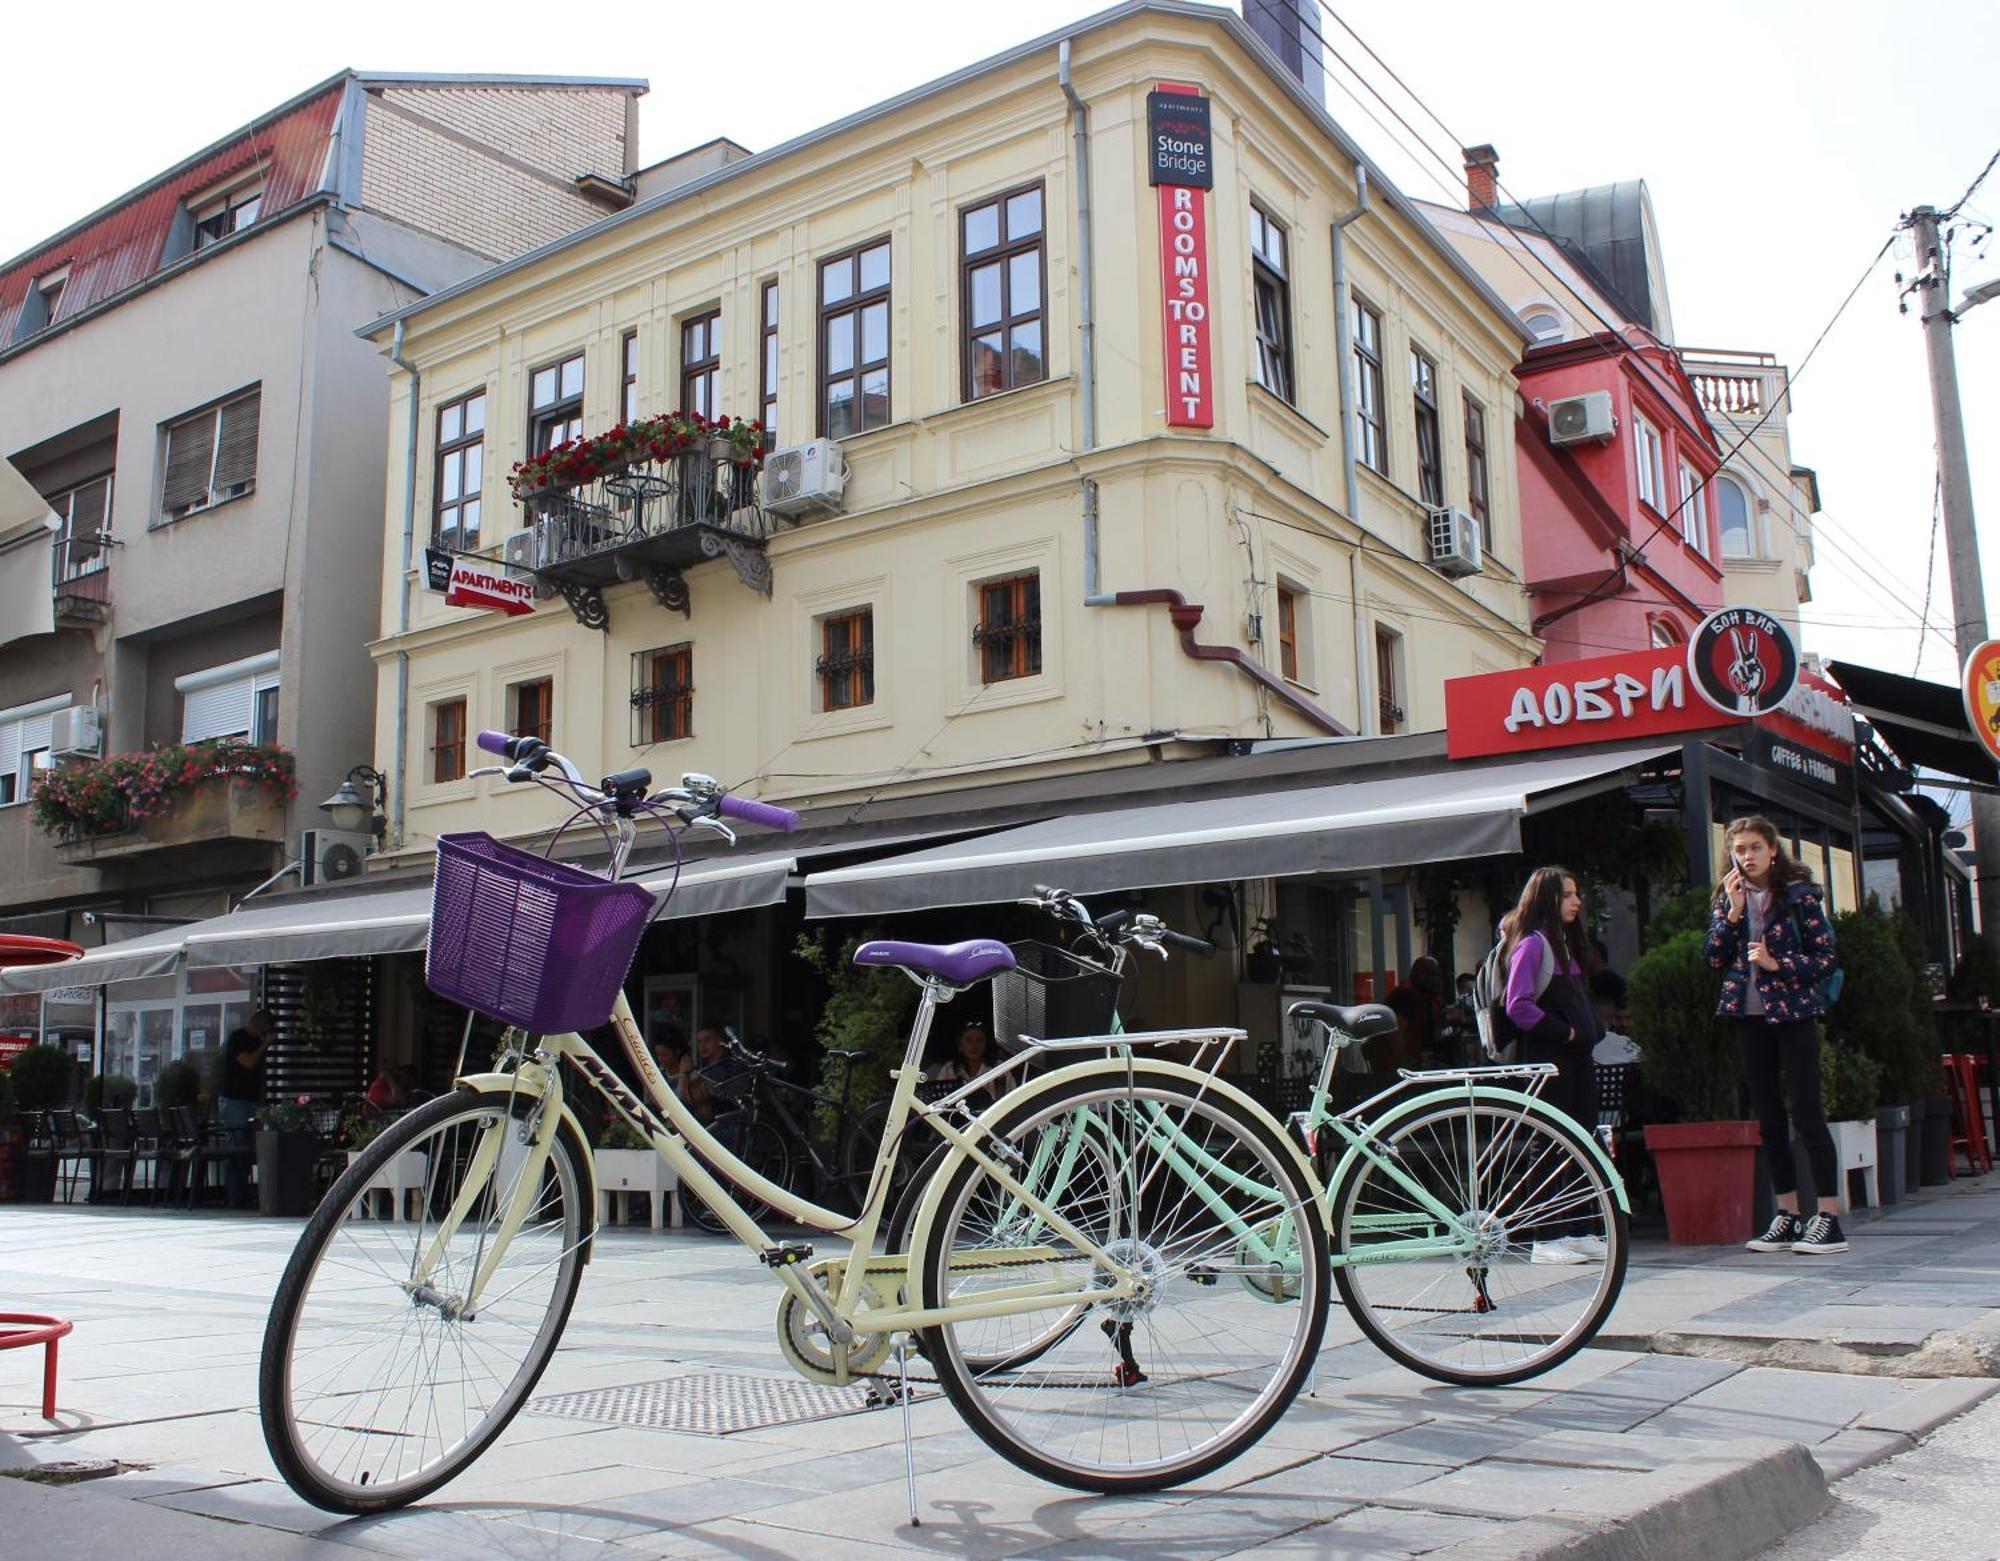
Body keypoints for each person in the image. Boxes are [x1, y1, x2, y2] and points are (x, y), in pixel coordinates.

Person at [1704, 815, 1846, 1255]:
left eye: (1754, 848)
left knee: (1806, 1113)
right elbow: (1712, 957)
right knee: (1769, 1120)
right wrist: (1732, 913)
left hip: (1794, 1015)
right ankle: (1787, 1214)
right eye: (1739, 849)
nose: (1746, 857)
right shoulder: (1728, 897)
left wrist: (1776, 963)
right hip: (1748, 1017)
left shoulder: (1800, 896)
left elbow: (1826, 958)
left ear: (1772, 850)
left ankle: (1828, 1217)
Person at [1497, 867, 1604, 1265]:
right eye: (1567, 895)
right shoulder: (1534, 944)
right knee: (1550, 1143)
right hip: (1552, 1059)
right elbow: (1517, 1005)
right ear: (1547, 899)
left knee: (1581, 1140)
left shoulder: (1563, 944)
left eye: (1577, 894)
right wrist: (1568, 1034)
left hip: (1575, 1061)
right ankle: (1545, 1237)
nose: (1576, 902)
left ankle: (1578, 1228)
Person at [217, 1010, 273, 1210]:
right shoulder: (238, 1038)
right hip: (235, 1101)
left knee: (248, 1149)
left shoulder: (255, 1040)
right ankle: (235, 1196)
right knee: (237, 1146)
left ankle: (245, 1193)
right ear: (259, 1025)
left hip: (250, 1100)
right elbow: (248, 1062)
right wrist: (265, 1045)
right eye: (266, 1030)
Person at [1382, 957, 1446, 1071]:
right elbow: (1395, 1034)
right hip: (1397, 1066)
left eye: (1436, 974)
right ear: (1415, 974)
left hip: (1414, 1062)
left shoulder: (1427, 998)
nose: (1434, 979)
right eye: (1428, 973)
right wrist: (1406, 1065)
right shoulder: (1405, 995)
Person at [681, 1024, 746, 1123]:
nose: (702, 1046)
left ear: (720, 1041)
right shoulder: (706, 1067)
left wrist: (684, 1073)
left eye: (707, 1040)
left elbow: (690, 1098)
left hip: (728, 1127)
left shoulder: (728, 1066)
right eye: (699, 1042)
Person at [928, 1024, 999, 1104]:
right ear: (960, 1047)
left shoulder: (999, 1068)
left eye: (979, 1041)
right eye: (968, 1041)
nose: (974, 1046)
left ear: (986, 1045)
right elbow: (940, 1102)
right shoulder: (949, 1069)